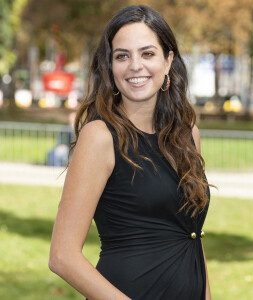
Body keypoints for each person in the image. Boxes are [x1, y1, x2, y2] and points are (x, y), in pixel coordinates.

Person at [49, 5, 211, 300]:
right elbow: (62, 255)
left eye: (147, 53)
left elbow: (192, 237)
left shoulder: (188, 135)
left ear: (167, 60)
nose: (135, 65)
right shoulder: (99, 137)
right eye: (122, 56)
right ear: (110, 66)